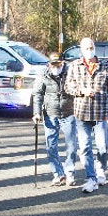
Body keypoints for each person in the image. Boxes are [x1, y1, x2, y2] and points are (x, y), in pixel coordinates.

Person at [65, 37, 108, 193]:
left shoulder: (105, 66)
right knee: (84, 147)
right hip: (81, 113)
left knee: (103, 147)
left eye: (91, 47)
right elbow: (68, 87)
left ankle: (101, 168)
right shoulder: (74, 66)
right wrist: (81, 91)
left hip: (99, 113)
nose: (89, 51)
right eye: (86, 48)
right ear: (81, 49)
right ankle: (90, 178)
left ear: (94, 48)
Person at [32, 52, 78, 186]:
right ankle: (58, 174)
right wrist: (37, 112)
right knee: (51, 146)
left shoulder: (70, 72)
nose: (56, 67)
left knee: (71, 146)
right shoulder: (43, 74)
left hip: (68, 113)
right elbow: (38, 94)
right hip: (50, 114)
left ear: (62, 63)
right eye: (53, 64)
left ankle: (69, 173)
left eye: (59, 64)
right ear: (49, 64)